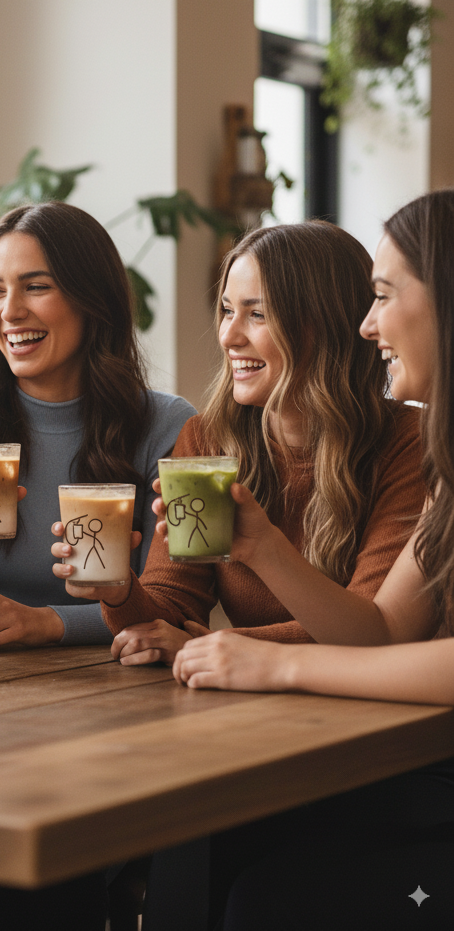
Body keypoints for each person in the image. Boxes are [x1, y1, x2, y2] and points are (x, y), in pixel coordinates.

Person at [169, 191, 454, 930]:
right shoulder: (449, 471)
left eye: (385, 296)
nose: (368, 324)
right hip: (416, 782)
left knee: (267, 902)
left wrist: (276, 664)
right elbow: (385, 631)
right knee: (213, 849)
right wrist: (262, 546)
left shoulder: (407, 450)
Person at [51, 221, 426, 665]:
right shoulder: (207, 440)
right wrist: (118, 592)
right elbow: (171, 607)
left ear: (324, 326)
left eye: (258, 314)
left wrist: (215, 644)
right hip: (254, 700)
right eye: (228, 311)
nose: (229, 336)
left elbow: (374, 632)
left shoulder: (408, 442)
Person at [0, 201, 195, 652]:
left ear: (92, 299)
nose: (10, 312)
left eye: (36, 286)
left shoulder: (168, 426)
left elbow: (170, 612)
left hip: (128, 689)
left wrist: (49, 623)